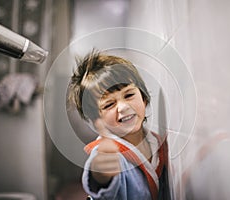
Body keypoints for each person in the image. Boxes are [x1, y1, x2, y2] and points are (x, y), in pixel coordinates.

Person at [67, 50, 172, 200]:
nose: (123, 107)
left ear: (144, 98)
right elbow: (102, 184)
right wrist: (102, 176)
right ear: (98, 119)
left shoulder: (158, 143)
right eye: (109, 104)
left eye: (129, 95)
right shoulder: (108, 154)